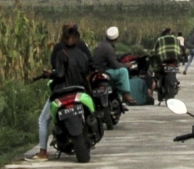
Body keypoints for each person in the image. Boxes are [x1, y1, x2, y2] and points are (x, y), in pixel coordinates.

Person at [39, 24, 93, 160]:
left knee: (43, 119)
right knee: (91, 111)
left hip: (62, 90)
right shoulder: (82, 53)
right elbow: (89, 69)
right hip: (80, 90)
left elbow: (60, 74)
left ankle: (42, 152)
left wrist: (50, 74)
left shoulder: (60, 52)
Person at [91, 25, 134, 101]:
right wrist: (126, 65)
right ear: (116, 38)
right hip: (105, 71)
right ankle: (126, 94)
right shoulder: (109, 48)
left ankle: (117, 96)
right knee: (123, 71)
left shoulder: (100, 45)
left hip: (97, 70)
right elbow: (115, 65)